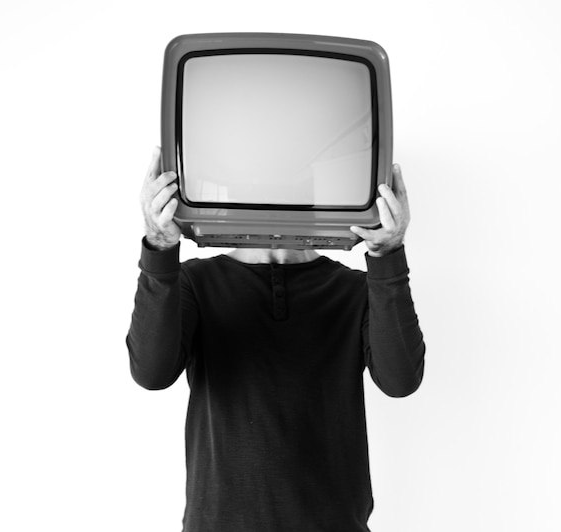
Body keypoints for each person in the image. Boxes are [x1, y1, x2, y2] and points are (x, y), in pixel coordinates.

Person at [126, 146, 426, 532]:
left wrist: (387, 254)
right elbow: (150, 373)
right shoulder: (194, 283)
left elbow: (401, 381)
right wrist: (160, 250)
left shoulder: (355, 290)